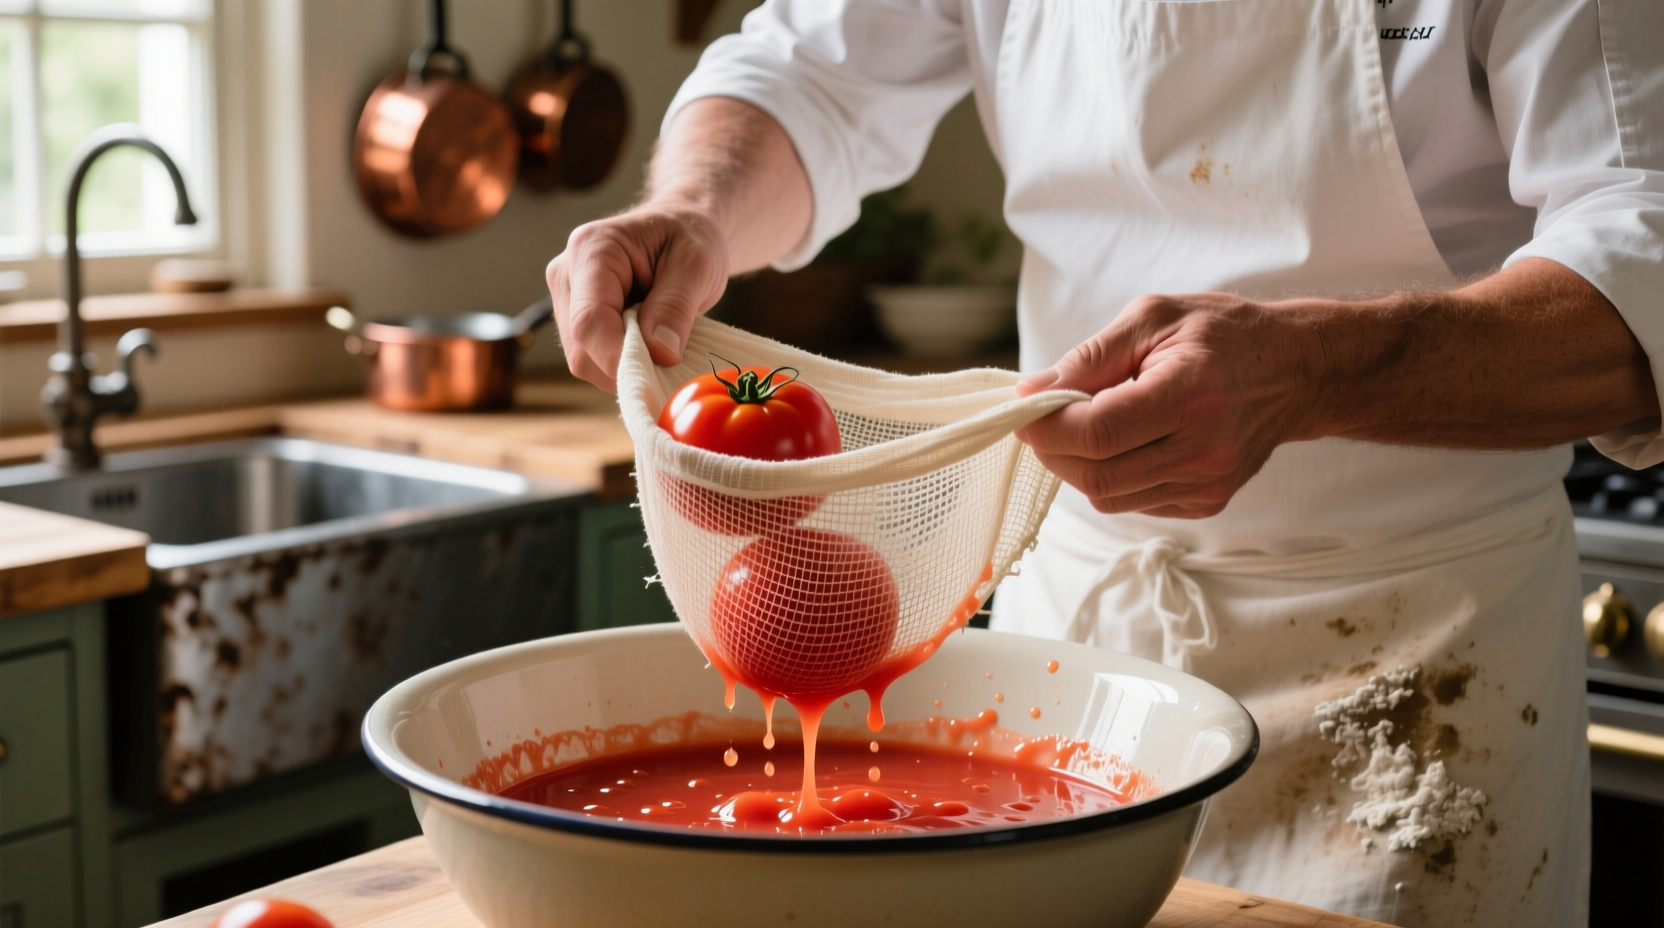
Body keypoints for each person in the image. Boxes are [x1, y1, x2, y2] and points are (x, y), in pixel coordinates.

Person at [544, 1, 1664, 924]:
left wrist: (1316, 371)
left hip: (1419, 668)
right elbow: (809, 74)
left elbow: (1641, 249)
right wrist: (692, 208)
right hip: (1077, 638)